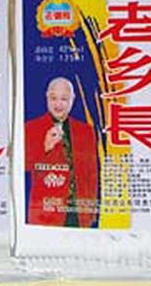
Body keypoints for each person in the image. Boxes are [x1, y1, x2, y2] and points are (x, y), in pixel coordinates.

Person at [25, 77, 98, 227]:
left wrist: (91, 211)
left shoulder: (86, 131)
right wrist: (45, 146)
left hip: (79, 213)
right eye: (53, 98)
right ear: (47, 98)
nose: (58, 104)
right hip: (46, 213)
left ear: (72, 100)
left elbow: (91, 174)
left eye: (64, 99)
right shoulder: (31, 128)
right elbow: (22, 166)